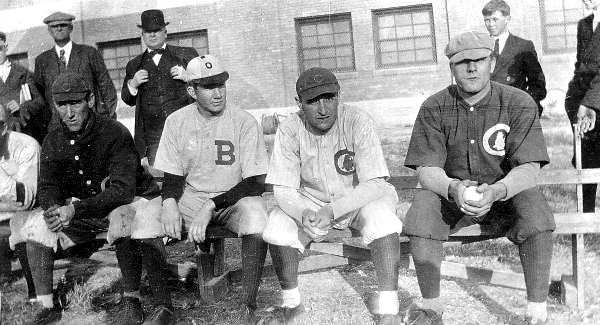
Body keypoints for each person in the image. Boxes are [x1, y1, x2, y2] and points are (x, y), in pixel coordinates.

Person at [403, 31, 555, 325]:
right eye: (463, 63)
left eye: (480, 60)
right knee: (420, 213)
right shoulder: (434, 106)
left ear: (493, 61)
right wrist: (453, 188)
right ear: (451, 68)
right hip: (453, 199)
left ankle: (537, 312)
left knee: (536, 214)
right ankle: (431, 309)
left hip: (503, 197)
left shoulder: (518, 101)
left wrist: (498, 191)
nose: (472, 68)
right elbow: (426, 169)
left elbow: (529, 167)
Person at [261, 67, 404, 325]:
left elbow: (374, 183)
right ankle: (292, 304)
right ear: (299, 103)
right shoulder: (290, 128)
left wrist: (333, 211)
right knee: (276, 225)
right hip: (312, 202)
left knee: (382, 219)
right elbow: (283, 189)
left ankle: (389, 308)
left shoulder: (358, 119)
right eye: (313, 101)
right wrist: (302, 213)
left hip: (360, 199)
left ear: (339, 95)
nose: (323, 108)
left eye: (329, 97)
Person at [17, 72, 161, 325]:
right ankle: (45, 304)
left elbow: (122, 191)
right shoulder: (53, 140)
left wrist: (73, 210)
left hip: (135, 204)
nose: (69, 112)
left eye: (75, 103)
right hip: (87, 212)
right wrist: (52, 210)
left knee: (122, 218)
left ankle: (132, 299)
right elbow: (48, 185)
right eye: (62, 105)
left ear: (91, 100)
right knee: (34, 227)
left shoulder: (114, 132)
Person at [151, 54, 269, 324]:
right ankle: (163, 307)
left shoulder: (244, 121)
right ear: (192, 90)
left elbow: (255, 182)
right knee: (147, 218)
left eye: (221, 84)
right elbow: (172, 174)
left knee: (258, 217)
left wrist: (212, 205)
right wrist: (169, 201)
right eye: (208, 86)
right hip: (192, 198)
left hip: (234, 200)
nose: (217, 93)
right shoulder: (177, 121)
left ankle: (248, 305)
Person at [121, 9, 198, 166]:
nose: (152, 35)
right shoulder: (134, 64)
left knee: (193, 171)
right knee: (161, 178)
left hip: (187, 131)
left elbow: (205, 85)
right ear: (142, 35)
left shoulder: (186, 54)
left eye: (156, 30)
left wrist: (189, 76)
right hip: (154, 137)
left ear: (165, 32)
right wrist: (133, 83)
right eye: (148, 32)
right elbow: (127, 99)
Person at [33, 11, 117, 138]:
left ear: (71, 28)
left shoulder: (89, 53)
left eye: (63, 25)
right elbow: (40, 97)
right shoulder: (42, 60)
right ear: (49, 31)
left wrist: (105, 119)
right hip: (57, 128)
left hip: (90, 124)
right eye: (55, 26)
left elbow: (107, 88)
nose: (59, 28)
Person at [0, 103, 39, 304]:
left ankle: (37, 294)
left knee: (21, 223)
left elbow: (25, 200)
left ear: (3, 128)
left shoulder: (26, 146)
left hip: (21, 218)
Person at [565, 0, 600, 213]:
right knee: (586, 159)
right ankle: (586, 216)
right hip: (583, 101)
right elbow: (580, 64)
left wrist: (590, 103)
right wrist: (573, 97)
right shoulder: (584, 25)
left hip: (594, 100)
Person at [482, 0, 547, 116]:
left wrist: (525, 105)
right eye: (487, 20)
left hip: (514, 112)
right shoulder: (480, 48)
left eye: (495, 19)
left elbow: (538, 84)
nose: (490, 24)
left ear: (507, 19)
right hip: (487, 112)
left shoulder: (523, 46)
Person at [0, 31, 45, 144]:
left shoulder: (23, 73)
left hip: (21, 131)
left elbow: (39, 102)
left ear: (6, 47)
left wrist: (21, 106)